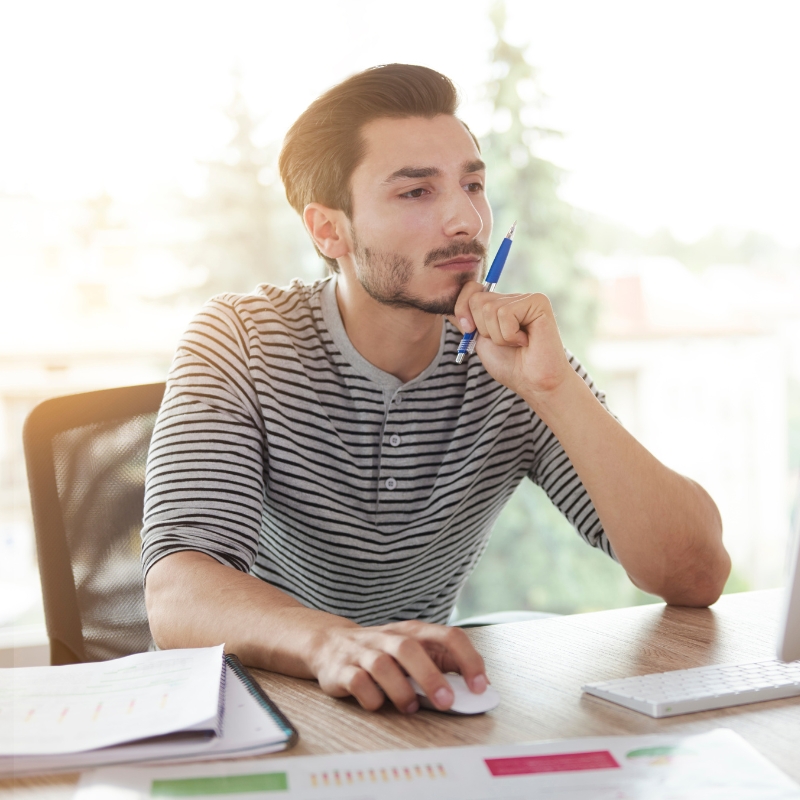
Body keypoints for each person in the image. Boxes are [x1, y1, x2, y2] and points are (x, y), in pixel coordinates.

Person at [141, 64, 729, 714]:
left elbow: (696, 573)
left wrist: (555, 391)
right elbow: (178, 590)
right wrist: (337, 644)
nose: (465, 220)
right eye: (416, 193)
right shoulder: (240, 340)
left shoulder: (517, 359)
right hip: (264, 705)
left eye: (472, 184)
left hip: (415, 709)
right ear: (328, 229)